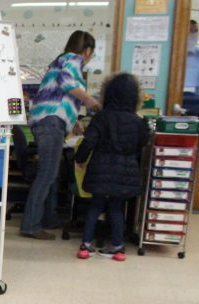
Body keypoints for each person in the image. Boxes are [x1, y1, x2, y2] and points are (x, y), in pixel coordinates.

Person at [20, 30, 101, 240]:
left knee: (51, 173)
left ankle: (49, 218)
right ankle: (30, 225)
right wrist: (89, 100)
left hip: (46, 121)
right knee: (47, 174)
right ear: (88, 51)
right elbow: (68, 84)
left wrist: (73, 123)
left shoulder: (59, 61)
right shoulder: (73, 60)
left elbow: (58, 96)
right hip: (50, 123)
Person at [75, 73, 148, 262]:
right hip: (125, 170)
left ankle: (86, 246)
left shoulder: (101, 117)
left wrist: (80, 159)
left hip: (100, 167)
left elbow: (89, 140)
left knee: (95, 206)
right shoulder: (138, 121)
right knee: (116, 208)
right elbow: (143, 142)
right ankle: (118, 248)